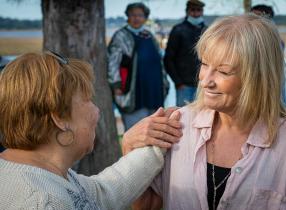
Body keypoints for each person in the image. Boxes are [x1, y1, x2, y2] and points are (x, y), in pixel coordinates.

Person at [129, 14, 286, 210]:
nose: (205, 80)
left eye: (223, 71)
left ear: (259, 77)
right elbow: (148, 205)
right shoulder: (177, 127)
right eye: (204, 64)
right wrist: (130, 149)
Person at [0, 51, 182, 209]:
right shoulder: (42, 202)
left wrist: (159, 140)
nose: (97, 110)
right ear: (60, 118)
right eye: (87, 99)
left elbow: (102, 194)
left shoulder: (44, 173)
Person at [108, 2, 169, 130]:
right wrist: (116, 84)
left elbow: (159, 60)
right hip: (133, 89)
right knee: (135, 129)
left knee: (155, 129)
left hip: (153, 89)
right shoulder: (121, 36)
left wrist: (165, 83)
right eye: (133, 15)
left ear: (145, 18)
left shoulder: (149, 35)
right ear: (128, 17)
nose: (136, 18)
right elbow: (113, 61)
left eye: (140, 15)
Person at [164, 0, 206, 107]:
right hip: (184, 85)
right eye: (193, 10)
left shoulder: (207, 30)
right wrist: (178, 82)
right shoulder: (178, 30)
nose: (196, 13)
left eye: (198, 10)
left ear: (202, 12)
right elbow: (169, 59)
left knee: (204, 116)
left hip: (203, 84)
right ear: (187, 11)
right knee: (183, 118)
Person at [250, 4, 286, 106]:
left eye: (256, 15)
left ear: (266, 16)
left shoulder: (269, 33)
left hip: (269, 79)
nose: (252, 18)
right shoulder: (262, 31)